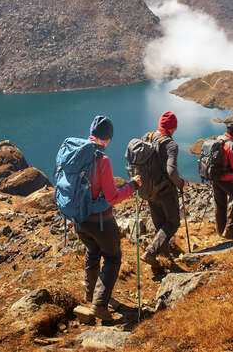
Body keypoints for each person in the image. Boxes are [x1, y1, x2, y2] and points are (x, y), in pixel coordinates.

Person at [76, 115, 141, 321]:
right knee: (113, 258)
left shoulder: (76, 153)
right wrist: (132, 186)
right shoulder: (101, 160)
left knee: (92, 251)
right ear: (108, 138)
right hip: (100, 220)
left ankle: (90, 292)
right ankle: (100, 304)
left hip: (79, 219)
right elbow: (112, 197)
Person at [141, 111, 188, 268]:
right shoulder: (170, 145)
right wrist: (181, 184)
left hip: (149, 190)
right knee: (173, 223)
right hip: (165, 192)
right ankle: (151, 252)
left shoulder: (147, 137)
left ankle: (165, 258)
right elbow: (171, 172)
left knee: (160, 225)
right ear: (172, 128)